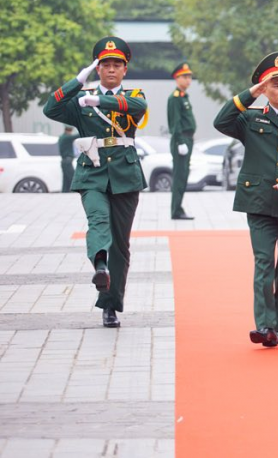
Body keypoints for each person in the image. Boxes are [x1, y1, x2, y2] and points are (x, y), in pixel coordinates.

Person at [214, 52, 278, 348]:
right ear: (265, 89)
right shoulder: (250, 119)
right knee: (263, 263)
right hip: (259, 202)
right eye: (276, 85)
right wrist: (251, 94)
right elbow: (221, 120)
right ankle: (264, 325)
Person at [43, 37, 148, 328]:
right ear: (98, 68)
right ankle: (99, 263)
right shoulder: (82, 97)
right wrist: (78, 80)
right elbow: (50, 108)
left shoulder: (134, 96)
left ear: (125, 70)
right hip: (92, 172)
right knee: (98, 220)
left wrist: (98, 99)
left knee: (122, 246)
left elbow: (137, 106)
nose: (111, 70)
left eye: (117, 65)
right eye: (105, 65)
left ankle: (110, 305)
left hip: (125, 176)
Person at [167, 61, 196, 220]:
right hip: (181, 139)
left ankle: (178, 208)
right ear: (177, 78)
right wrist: (180, 142)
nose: (188, 80)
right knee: (179, 176)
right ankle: (176, 210)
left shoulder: (184, 96)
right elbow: (175, 123)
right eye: (185, 77)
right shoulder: (175, 98)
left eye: (189, 77)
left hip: (187, 139)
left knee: (184, 175)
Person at [57, 126, 78, 193]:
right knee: (72, 177)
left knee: (66, 179)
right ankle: (73, 191)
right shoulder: (66, 137)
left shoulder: (61, 137)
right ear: (68, 131)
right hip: (67, 161)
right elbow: (78, 136)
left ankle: (65, 191)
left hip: (64, 161)